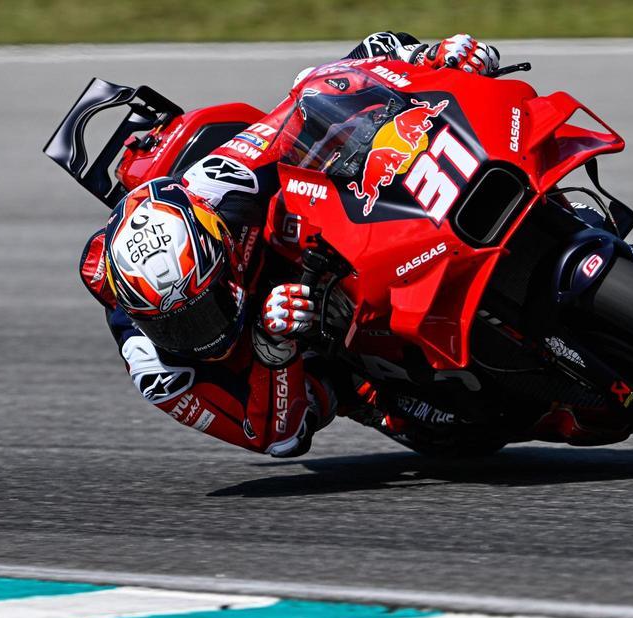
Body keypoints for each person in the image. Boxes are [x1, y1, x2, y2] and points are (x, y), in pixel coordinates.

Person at [78, 33, 501, 458]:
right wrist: (272, 347)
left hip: (308, 248)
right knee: (453, 423)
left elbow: (309, 94)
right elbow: (276, 438)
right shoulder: (156, 368)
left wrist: (423, 57)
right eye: (172, 327)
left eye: (202, 311)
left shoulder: (220, 184)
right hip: (286, 357)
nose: (196, 335)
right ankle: (376, 395)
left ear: (219, 243)